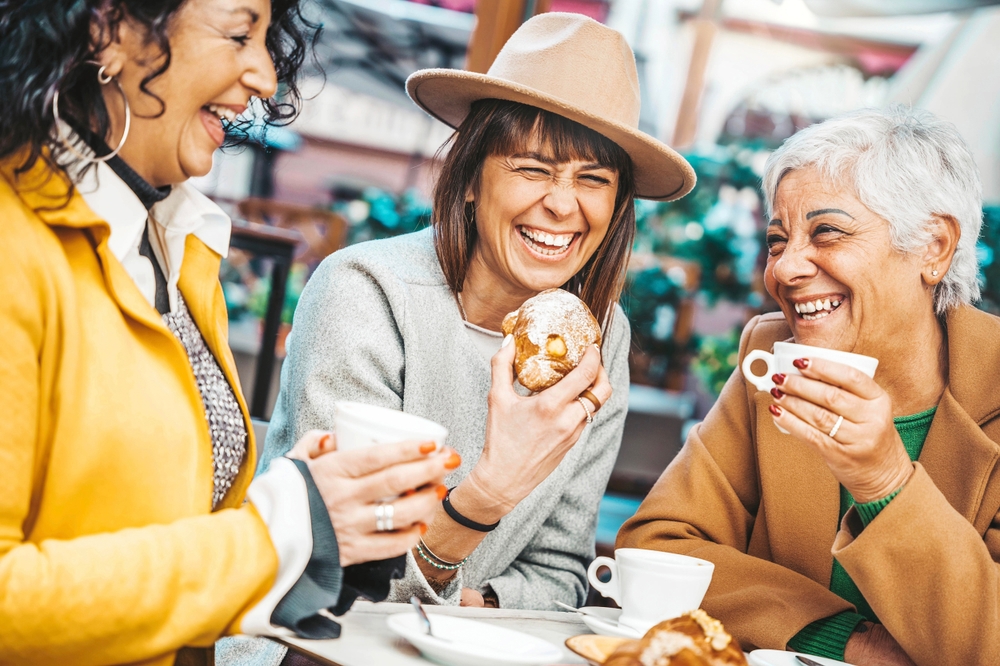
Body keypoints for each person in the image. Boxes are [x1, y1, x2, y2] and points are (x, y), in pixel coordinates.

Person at [0, 2, 452, 664]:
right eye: (241, 34)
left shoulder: (176, 245)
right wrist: (283, 526)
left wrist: (316, 517)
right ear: (108, 31)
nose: (267, 77)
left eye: (270, 42)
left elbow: (168, 539)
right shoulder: (15, 244)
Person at [263, 10, 695, 614]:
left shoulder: (600, 335)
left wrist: (463, 607)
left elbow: (558, 570)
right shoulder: (366, 291)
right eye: (532, 168)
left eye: (592, 179)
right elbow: (331, 574)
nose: (562, 204)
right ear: (470, 178)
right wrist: (488, 493)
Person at [618, 105, 999, 666]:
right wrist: (844, 641)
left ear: (933, 247)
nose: (785, 269)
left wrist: (886, 481)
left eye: (827, 232)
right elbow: (655, 550)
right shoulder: (771, 358)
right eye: (777, 241)